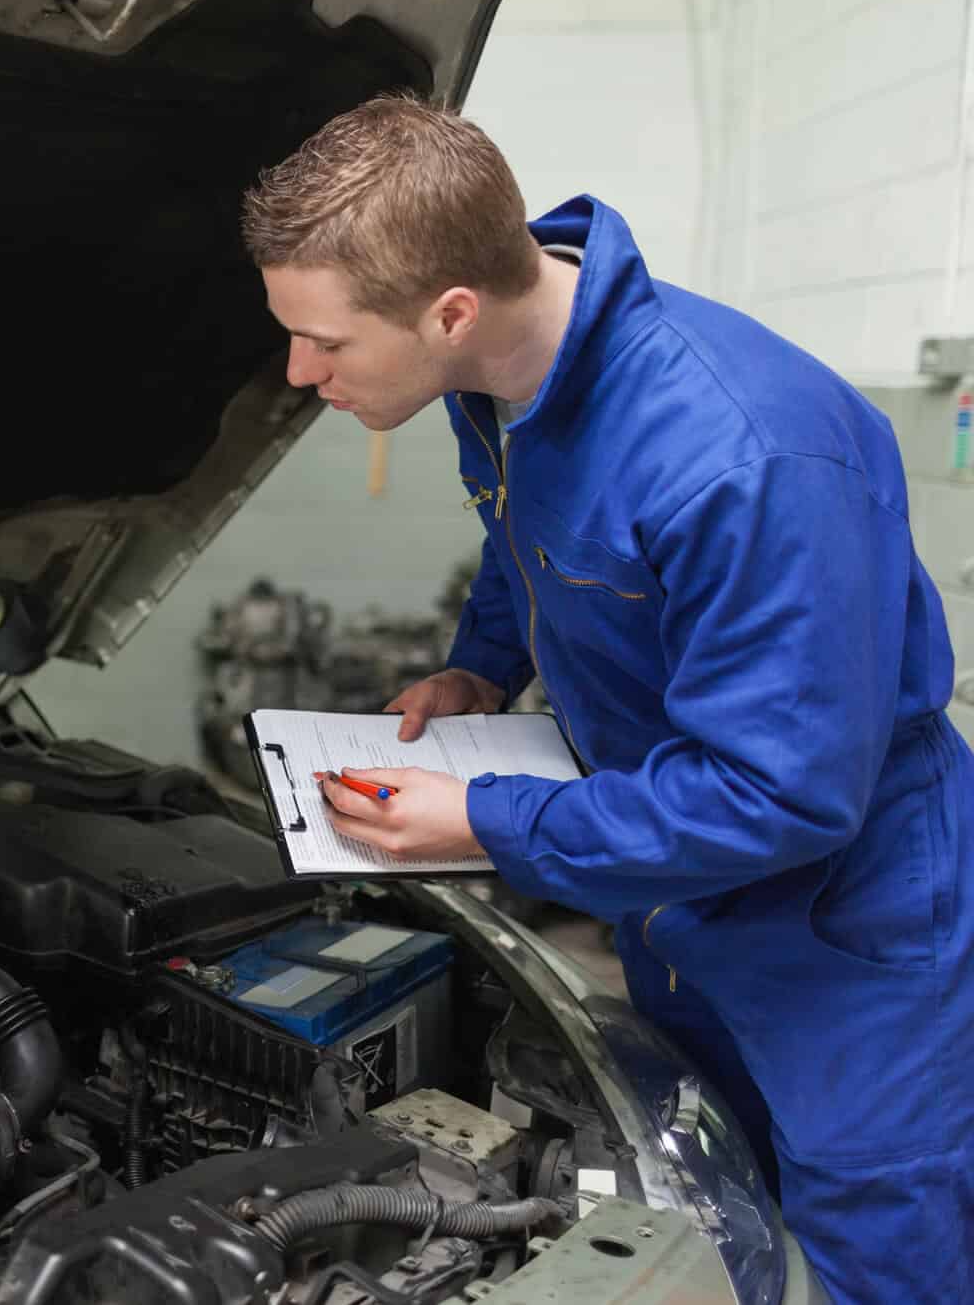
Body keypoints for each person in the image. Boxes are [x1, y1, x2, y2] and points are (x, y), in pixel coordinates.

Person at [239, 94, 972, 1305]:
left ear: (449, 310)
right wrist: (480, 663)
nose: (297, 371)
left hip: (846, 932)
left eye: (324, 341)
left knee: (872, 1257)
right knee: (707, 1209)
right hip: (671, 894)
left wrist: (488, 824)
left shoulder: (742, 458)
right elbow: (529, 535)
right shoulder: (502, 377)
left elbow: (777, 796)